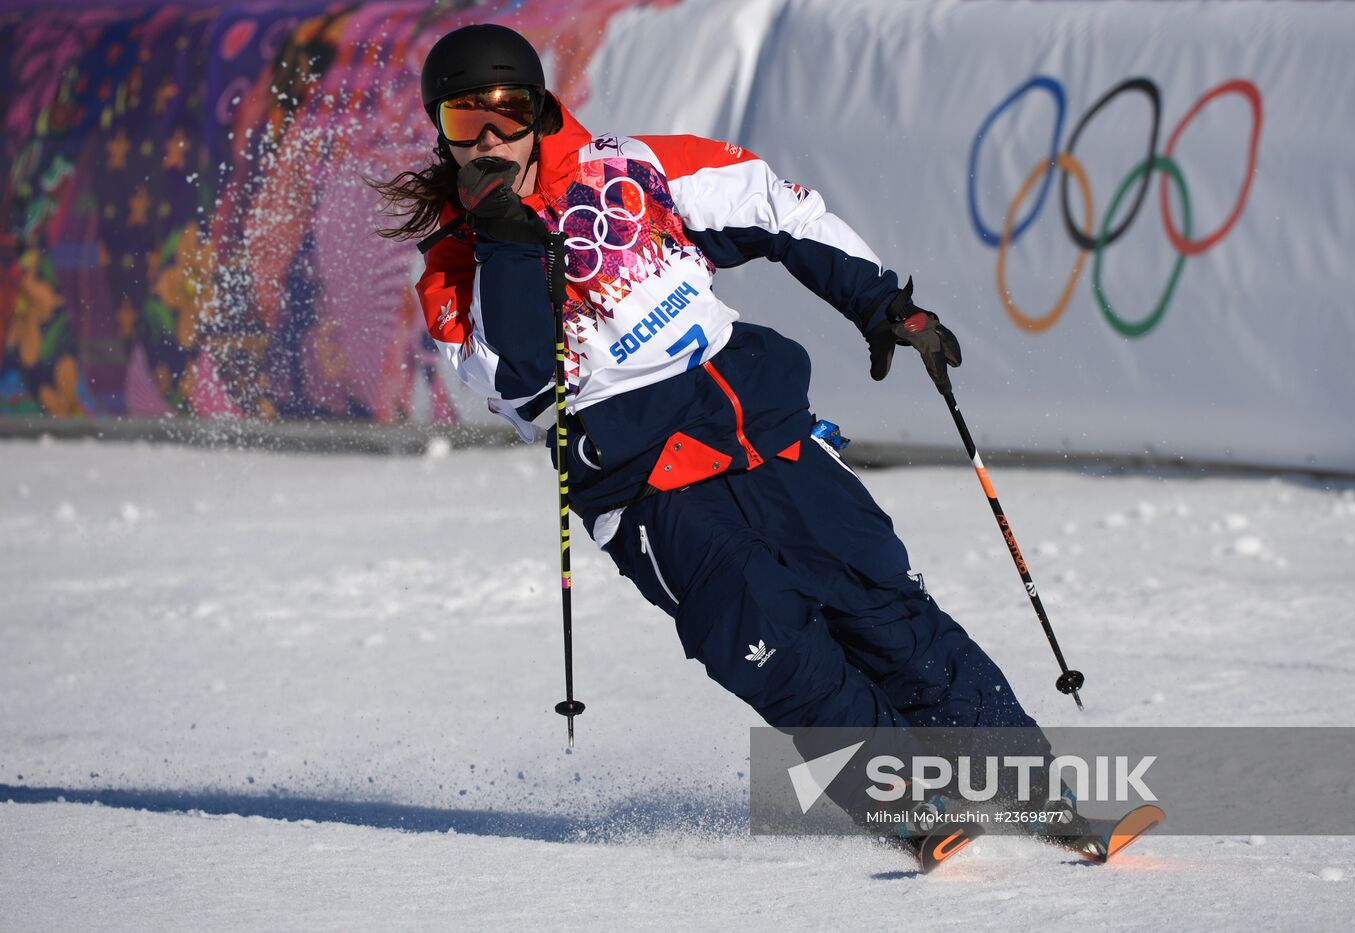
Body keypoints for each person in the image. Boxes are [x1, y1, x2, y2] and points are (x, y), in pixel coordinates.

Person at [372, 23, 1056, 844]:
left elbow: (769, 203)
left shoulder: (633, 170)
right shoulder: (455, 273)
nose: (490, 139)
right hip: (646, 486)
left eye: (506, 112)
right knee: (769, 636)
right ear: (440, 133)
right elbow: (525, 383)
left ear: (539, 108)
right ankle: (902, 798)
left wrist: (879, 302)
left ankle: (1024, 777)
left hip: (759, 426)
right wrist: (507, 242)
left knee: (879, 599)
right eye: (462, 121)